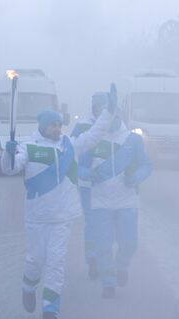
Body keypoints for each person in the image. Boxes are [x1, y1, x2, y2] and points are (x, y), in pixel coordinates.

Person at [1, 84, 117, 319]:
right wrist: (7, 154)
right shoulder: (29, 147)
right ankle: (28, 285)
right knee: (35, 261)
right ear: (42, 126)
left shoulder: (70, 146)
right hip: (37, 217)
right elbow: (11, 168)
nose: (56, 128)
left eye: (58, 124)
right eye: (51, 125)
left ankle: (50, 310)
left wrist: (109, 112)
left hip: (63, 217)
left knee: (56, 262)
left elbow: (95, 134)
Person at [78, 100, 152, 299]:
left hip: (126, 199)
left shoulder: (133, 140)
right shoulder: (94, 139)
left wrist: (136, 177)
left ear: (119, 117)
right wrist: (87, 174)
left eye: (112, 117)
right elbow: (80, 166)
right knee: (103, 244)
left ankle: (122, 266)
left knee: (129, 243)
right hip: (100, 199)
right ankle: (108, 283)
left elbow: (146, 165)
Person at [70, 91, 109, 279]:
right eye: (99, 106)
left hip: (110, 185)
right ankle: (93, 259)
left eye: (106, 106)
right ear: (94, 107)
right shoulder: (82, 126)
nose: (102, 109)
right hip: (88, 184)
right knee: (93, 223)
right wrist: (83, 172)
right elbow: (70, 153)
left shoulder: (117, 126)